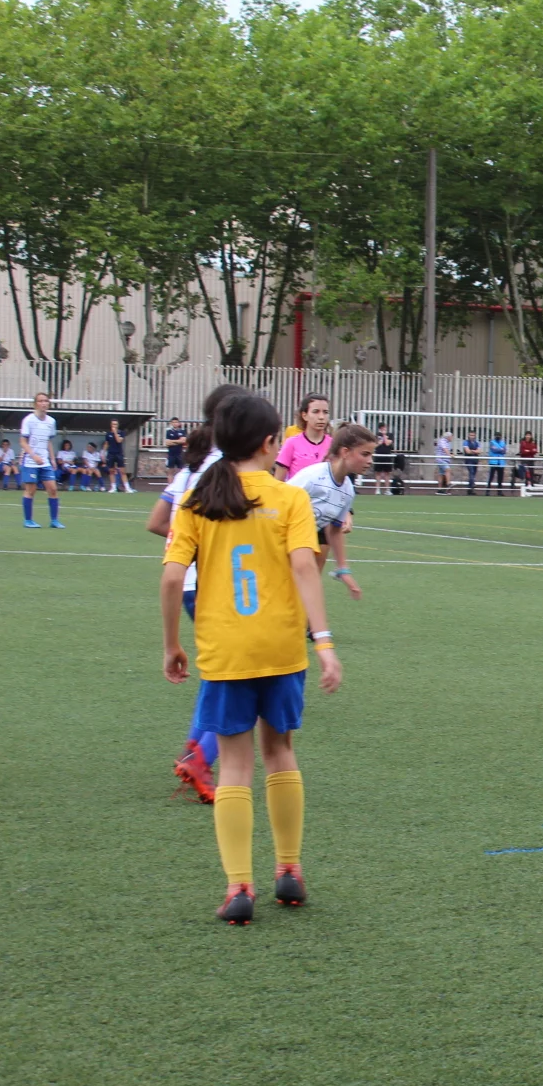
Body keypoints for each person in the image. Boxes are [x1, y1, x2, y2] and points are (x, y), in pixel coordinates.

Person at [162, 391, 341, 925]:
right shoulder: (289, 498)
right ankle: (289, 869)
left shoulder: (198, 500)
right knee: (280, 753)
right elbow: (305, 568)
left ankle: (239, 885)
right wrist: (324, 643)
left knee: (235, 766)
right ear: (269, 443)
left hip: (226, 651)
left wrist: (172, 644)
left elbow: (172, 577)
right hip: (282, 648)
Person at [147, 383, 247, 803]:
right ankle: (201, 758)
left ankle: (195, 750)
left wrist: (187, 545)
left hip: (191, 583)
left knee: (220, 673)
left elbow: (157, 522)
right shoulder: (229, 466)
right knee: (241, 680)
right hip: (214, 585)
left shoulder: (195, 465)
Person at [290, 424, 375, 603]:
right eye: (365, 454)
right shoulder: (312, 477)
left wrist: (343, 570)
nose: (370, 461)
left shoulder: (347, 490)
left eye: (371, 455)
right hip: (280, 543)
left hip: (301, 545)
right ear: (345, 452)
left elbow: (334, 530)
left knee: (301, 597)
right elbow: (278, 503)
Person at [19, 393, 63, 528]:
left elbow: (48, 441)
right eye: (41, 401)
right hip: (31, 462)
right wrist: (33, 456)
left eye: (46, 401)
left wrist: (52, 459)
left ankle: (54, 521)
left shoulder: (51, 421)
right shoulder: (28, 420)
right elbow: (23, 441)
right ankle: (28, 520)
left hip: (45, 462)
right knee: (31, 490)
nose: (44, 403)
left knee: (53, 489)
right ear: (35, 404)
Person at [273, 394, 332, 481]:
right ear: (304, 415)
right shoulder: (291, 443)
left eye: (325, 412)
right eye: (315, 412)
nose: (321, 417)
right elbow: (278, 481)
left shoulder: (333, 445)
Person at [104, 419, 132, 492]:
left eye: (116, 424)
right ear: (111, 425)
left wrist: (115, 433)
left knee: (122, 471)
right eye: (113, 424)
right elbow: (106, 444)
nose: (114, 426)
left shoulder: (121, 433)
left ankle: (127, 488)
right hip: (111, 454)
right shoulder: (108, 434)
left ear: (118, 425)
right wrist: (103, 453)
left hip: (119, 454)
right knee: (111, 471)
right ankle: (113, 487)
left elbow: (119, 441)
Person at [371, 424, 396, 496]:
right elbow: (375, 445)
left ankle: (387, 490)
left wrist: (384, 436)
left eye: (384, 428)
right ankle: (377, 489)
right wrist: (380, 442)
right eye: (382, 428)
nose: (383, 429)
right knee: (378, 472)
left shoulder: (390, 435)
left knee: (387, 473)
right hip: (378, 455)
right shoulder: (377, 435)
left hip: (387, 456)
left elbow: (388, 443)